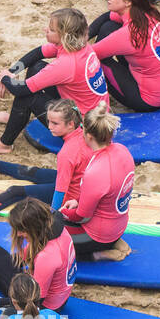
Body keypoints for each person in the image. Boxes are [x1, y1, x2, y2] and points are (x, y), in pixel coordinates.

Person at [0, 8, 108, 155]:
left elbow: (20, 90)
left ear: (65, 36)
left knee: (28, 96)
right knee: (37, 66)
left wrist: (4, 77)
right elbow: (37, 53)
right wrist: (12, 71)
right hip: (89, 112)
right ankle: (19, 118)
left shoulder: (66, 64)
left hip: (84, 129)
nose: (45, 29)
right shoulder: (80, 47)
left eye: (51, 29)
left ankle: (4, 144)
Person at [0, 99, 88, 218]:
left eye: (55, 123)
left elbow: (60, 191)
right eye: (48, 121)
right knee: (34, 172)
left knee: (15, 191)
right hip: (76, 181)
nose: (49, 126)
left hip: (71, 195)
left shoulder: (67, 153)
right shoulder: (83, 131)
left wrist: (53, 214)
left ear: (71, 124)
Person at [89, 0, 160, 110]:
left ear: (128, 2)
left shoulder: (127, 34)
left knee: (96, 62)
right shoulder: (146, 13)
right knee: (109, 26)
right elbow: (107, 17)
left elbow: (87, 55)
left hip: (148, 100)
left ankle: (92, 95)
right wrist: (86, 35)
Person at [60, 104, 136, 261]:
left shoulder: (96, 171)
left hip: (98, 235)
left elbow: (82, 217)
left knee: (51, 240)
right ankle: (115, 240)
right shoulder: (123, 150)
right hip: (120, 225)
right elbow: (107, 193)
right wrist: (77, 201)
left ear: (88, 136)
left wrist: (63, 213)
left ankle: (100, 254)